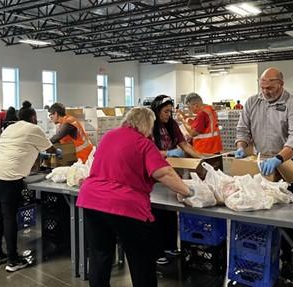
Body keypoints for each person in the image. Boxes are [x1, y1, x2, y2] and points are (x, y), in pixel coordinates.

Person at [77, 107, 194, 287]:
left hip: (92, 201)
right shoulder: (143, 143)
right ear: (146, 124)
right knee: (141, 260)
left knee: (100, 256)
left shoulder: (109, 136)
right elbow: (164, 174)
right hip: (124, 206)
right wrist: (188, 191)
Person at [0, 101, 54, 272]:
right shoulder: (34, 129)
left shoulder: (10, 127)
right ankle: (13, 260)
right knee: (9, 216)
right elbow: (50, 148)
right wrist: (58, 152)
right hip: (8, 176)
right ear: (33, 117)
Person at [235, 68, 293, 197]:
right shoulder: (252, 102)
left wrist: (278, 158)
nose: (265, 92)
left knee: (291, 204)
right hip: (263, 162)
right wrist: (241, 146)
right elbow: (243, 129)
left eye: (270, 88)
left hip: (291, 163)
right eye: (262, 88)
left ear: (281, 84)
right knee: (264, 202)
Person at [150, 94, 203, 265]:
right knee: (157, 212)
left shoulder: (172, 124)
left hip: (171, 174)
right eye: (165, 111)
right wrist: (167, 153)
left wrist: (202, 158)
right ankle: (157, 251)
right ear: (157, 110)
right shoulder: (150, 126)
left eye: (170, 111)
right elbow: (146, 151)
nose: (168, 115)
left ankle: (171, 246)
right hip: (156, 175)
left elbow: (185, 145)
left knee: (171, 211)